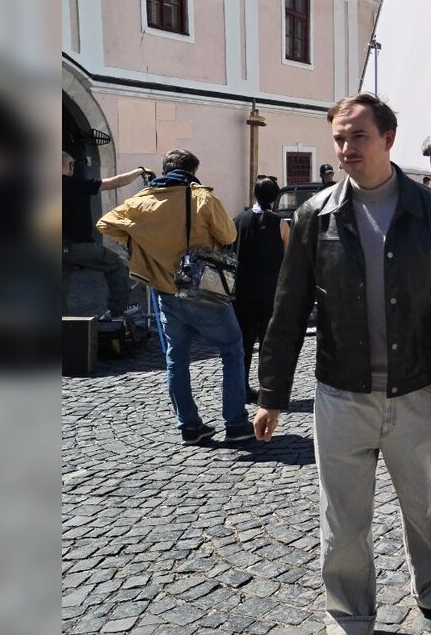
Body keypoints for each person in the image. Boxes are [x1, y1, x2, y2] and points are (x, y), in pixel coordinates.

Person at [255, 93, 431, 631]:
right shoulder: (317, 215)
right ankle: (349, 611)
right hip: (342, 392)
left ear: (388, 139)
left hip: (417, 388)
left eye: (357, 136)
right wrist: (271, 395)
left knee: (425, 503)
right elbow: (287, 311)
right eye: (338, 137)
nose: (345, 147)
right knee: (343, 516)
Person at [96, 149, 251, 445]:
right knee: (232, 350)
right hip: (205, 291)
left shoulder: (141, 201)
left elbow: (105, 224)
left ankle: (190, 427)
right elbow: (229, 236)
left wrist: (141, 243)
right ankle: (235, 423)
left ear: (165, 170)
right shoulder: (201, 197)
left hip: (166, 290)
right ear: (193, 170)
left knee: (176, 360)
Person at [61, 150, 150, 319]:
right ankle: (118, 310)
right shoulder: (76, 184)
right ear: (70, 165)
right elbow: (114, 182)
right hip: (77, 245)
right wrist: (139, 171)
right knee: (115, 265)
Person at [232, 176, 290, 403]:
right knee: (269, 344)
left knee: (243, 344)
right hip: (270, 293)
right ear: (276, 197)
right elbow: (288, 258)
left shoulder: (239, 220)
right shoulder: (280, 223)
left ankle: (242, 387)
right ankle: (268, 389)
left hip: (244, 292)